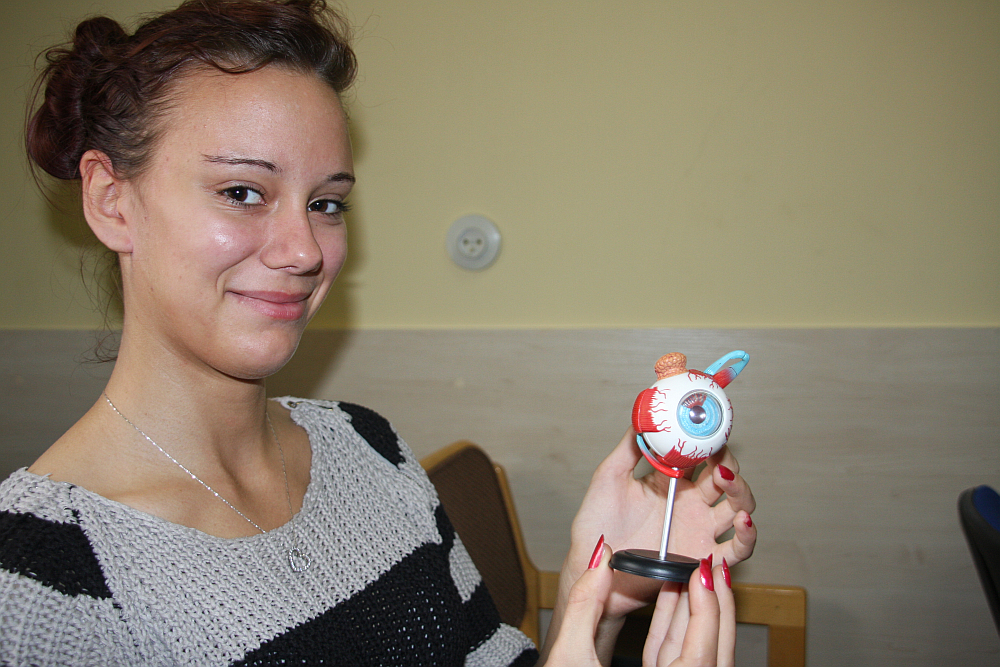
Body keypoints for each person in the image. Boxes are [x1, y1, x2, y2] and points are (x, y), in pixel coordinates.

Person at [0, 1, 756, 664]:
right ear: (110, 201)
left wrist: (599, 597)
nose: (304, 250)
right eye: (242, 191)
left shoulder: (367, 450)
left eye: (326, 204)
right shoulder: (42, 578)